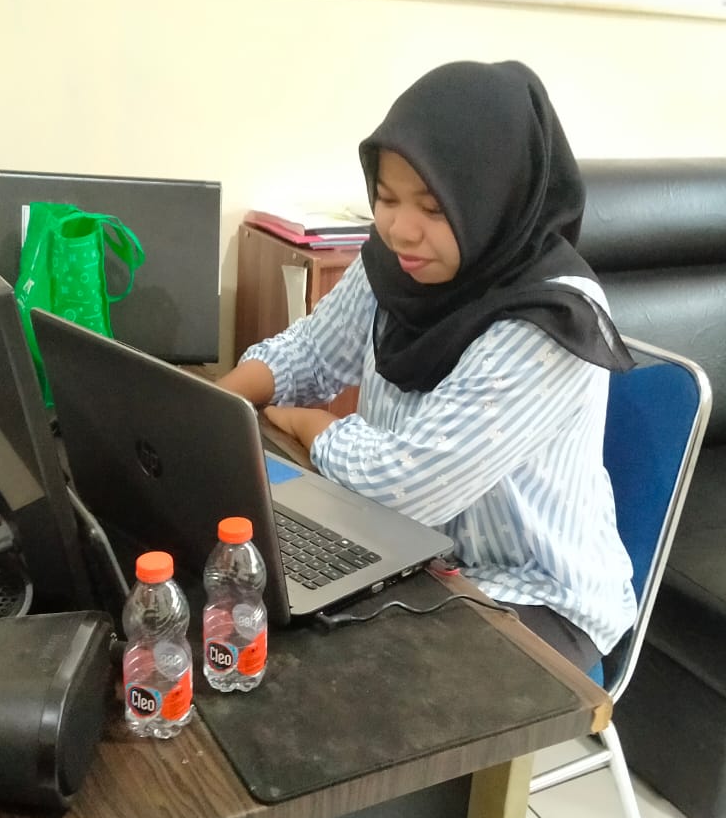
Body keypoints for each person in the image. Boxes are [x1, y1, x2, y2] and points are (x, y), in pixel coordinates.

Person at [218, 60, 636, 672]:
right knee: (247, 603)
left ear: (492, 202)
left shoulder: (549, 323)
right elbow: (312, 350)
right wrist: (218, 405)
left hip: (535, 597)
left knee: (326, 674)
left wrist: (313, 426)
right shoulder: (399, 264)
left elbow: (407, 487)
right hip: (409, 553)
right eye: (386, 198)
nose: (401, 230)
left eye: (434, 208)